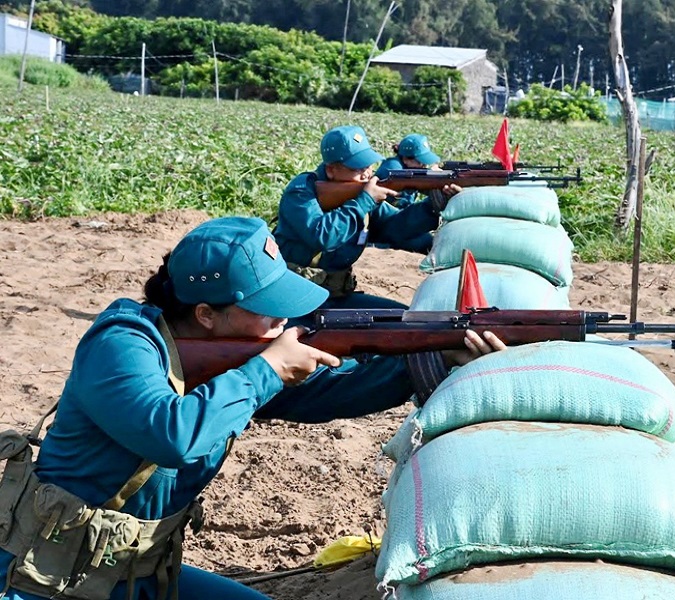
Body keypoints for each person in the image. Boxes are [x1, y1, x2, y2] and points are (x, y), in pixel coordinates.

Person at [0, 216, 503, 600]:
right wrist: (266, 369)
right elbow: (171, 436)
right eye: (266, 308)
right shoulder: (122, 344)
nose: (284, 320)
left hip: (135, 570)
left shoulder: (231, 363)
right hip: (43, 577)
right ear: (206, 316)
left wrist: (428, 360)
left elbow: (329, 393)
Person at [273, 126, 457, 309]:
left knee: (404, 317)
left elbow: (395, 228)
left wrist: (432, 207)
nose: (367, 174)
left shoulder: (360, 194)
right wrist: (363, 202)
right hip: (294, 299)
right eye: (358, 168)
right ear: (331, 170)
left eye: (368, 165)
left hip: (336, 296)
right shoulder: (302, 191)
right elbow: (322, 236)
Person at [375, 133, 444, 209]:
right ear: (405, 159)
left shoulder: (408, 168)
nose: (424, 166)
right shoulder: (392, 167)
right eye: (420, 162)